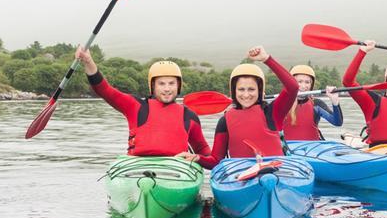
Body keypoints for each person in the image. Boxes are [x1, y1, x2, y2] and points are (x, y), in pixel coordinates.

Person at [75, 46, 210, 160]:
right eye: (161, 84)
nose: (167, 89)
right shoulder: (135, 106)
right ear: (153, 86)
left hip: (175, 171)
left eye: (171, 83)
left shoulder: (189, 116)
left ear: (178, 86)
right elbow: (104, 90)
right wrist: (88, 61)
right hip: (137, 167)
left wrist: (201, 159)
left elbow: (203, 150)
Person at [200, 46, 298, 168]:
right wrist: (196, 158)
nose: (246, 95)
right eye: (241, 89)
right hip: (242, 177)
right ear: (234, 91)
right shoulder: (225, 121)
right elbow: (215, 161)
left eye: (251, 89)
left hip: (277, 173)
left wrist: (266, 59)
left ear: (260, 90)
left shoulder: (272, 112)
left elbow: (293, 87)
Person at [281, 64, 343, 141]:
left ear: (311, 85)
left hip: (313, 149)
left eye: (307, 82)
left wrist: (335, 102)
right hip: (287, 150)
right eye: (299, 81)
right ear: (290, 83)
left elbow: (337, 122)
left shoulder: (316, 104)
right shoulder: (279, 104)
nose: (303, 86)